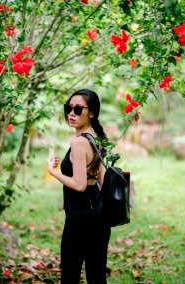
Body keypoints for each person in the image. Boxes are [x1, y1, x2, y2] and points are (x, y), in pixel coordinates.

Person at [47, 88, 111, 284]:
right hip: (99, 217)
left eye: (77, 109)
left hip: (79, 218)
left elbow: (80, 184)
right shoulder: (97, 139)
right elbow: (101, 180)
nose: (71, 114)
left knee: (70, 275)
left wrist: (54, 172)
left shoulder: (78, 143)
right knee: (97, 276)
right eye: (69, 108)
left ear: (91, 112)